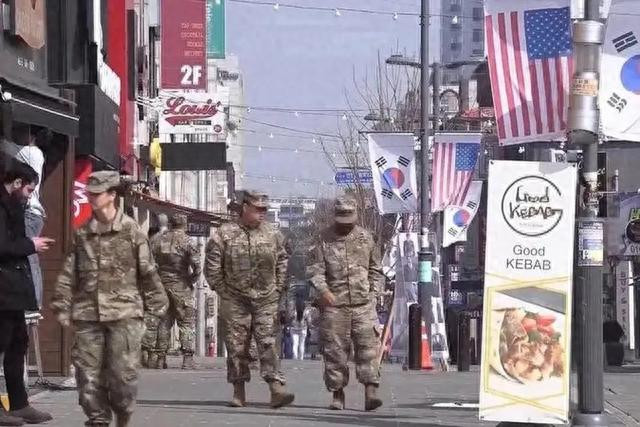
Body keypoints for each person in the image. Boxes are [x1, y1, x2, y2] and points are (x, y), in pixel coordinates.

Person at [51, 171, 169, 427]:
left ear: (112, 195)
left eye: (97, 194)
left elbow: (148, 273)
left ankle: (123, 414)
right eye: (90, 194)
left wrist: (155, 312)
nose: (92, 198)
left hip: (125, 316)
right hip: (88, 316)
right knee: (87, 377)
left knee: (122, 379)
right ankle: (98, 420)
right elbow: (69, 272)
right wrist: (61, 305)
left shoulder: (132, 232)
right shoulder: (82, 234)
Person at [204, 190, 294, 409]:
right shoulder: (224, 234)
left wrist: (278, 288)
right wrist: (224, 291)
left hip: (266, 299)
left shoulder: (273, 234)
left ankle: (276, 388)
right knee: (237, 347)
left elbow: (283, 261)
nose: (262, 213)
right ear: (245, 207)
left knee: (268, 343)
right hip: (236, 299)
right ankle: (238, 390)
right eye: (258, 209)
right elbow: (212, 267)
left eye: (265, 209)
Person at [308, 196, 385, 411]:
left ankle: (370, 392)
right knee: (335, 353)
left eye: (349, 218)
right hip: (335, 306)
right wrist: (324, 291)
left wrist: (374, 292)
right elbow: (315, 270)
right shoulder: (323, 239)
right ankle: (337, 393)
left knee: (368, 349)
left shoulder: (366, 238)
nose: (345, 224)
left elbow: (376, 269)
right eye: (341, 218)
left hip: (363, 304)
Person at [0, 161, 54, 426]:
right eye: (29, 190)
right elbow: (3, 245)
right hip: (3, 290)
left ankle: (19, 404)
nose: (29, 196)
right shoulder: (2, 206)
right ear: (17, 183)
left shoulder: (14, 206)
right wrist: (30, 244)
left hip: (12, 290)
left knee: (17, 344)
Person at [149, 213, 201, 370]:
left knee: (164, 321)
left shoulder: (156, 240)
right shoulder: (187, 241)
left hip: (161, 285)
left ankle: (160, 358)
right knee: (186, 322)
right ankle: (187, 359)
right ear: (185, 224)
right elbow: (197, 267)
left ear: (171, 224)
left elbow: (149, 263)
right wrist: (191, 279)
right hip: (181, 285)